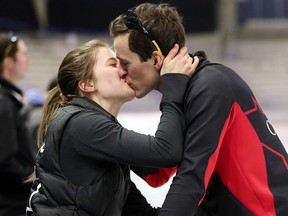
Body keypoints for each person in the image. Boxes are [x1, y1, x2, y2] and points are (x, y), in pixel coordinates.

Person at [109, 3, 288, 215]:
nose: (120, 72)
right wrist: (103, 133)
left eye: (125, 64)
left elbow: (192, 180)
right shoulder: (190, 88)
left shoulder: (211, 86)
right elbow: (158, 172)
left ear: (156, 59)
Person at [25, 39, 198, 215]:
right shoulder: (81, 123)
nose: (124, 70)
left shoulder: (98, 140)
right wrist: (174, 86)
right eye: (113, 63)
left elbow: (146, 207)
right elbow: (165, 151)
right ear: (87, 84)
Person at [0, 32, 37, 215]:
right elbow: (5, 160)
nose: (28, 60)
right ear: (8, 62)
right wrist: (34, 180)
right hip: (10, 205)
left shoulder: (8, 99)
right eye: (23, 54)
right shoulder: (4, 102)